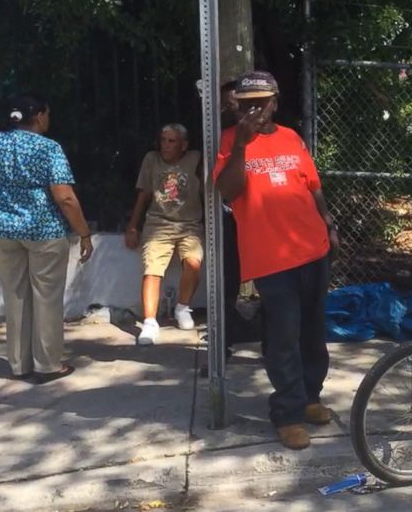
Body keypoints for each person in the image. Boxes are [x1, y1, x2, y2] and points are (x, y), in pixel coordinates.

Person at [214, 70, 339, 450]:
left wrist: (329, 224)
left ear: (275, 101)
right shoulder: (229, 142)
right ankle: (286, 413)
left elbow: (312, 186)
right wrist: (241, 147)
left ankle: (310, 397)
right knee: (283, 338)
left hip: (312, 248)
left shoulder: (291, 138)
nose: (254, 109)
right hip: (270, 258)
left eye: (261, 102)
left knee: (313, 333)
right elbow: (226, 190)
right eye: (246, 102)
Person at [0, 93, 93, 383]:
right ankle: (47, 365)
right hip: (43, 231)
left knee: (15, 296)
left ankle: (19, 364)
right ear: (40, 116)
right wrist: (83, 233)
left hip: (4, 229)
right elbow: (65, 197)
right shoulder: (49, 149)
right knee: (46, 298)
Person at [125, 124, 204, 345]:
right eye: (163, 140)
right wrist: (133, 226)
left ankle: (182, 307)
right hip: (158, 224)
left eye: (171, 141)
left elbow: (208, 189)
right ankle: (149, 322)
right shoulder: (152, 159)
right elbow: (144, 194)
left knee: (193, 264)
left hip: (190, 225)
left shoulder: (196, 158)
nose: (165, 146)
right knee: (152, 270)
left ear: (184, 145)